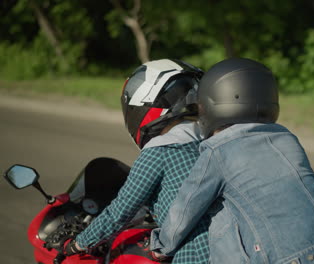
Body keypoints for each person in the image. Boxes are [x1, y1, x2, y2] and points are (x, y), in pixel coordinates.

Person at [151, 58, 314, 264]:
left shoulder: (217, 151)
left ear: (211, 105)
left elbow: (186, 208)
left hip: (294, 257)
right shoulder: (286, 137)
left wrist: (161, 245)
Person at [65, 59, 211, 263]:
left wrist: (77, 244)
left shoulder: (161, 149)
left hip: (194, 256)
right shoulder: (211, 143)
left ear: (146, 101)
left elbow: (120, 212)